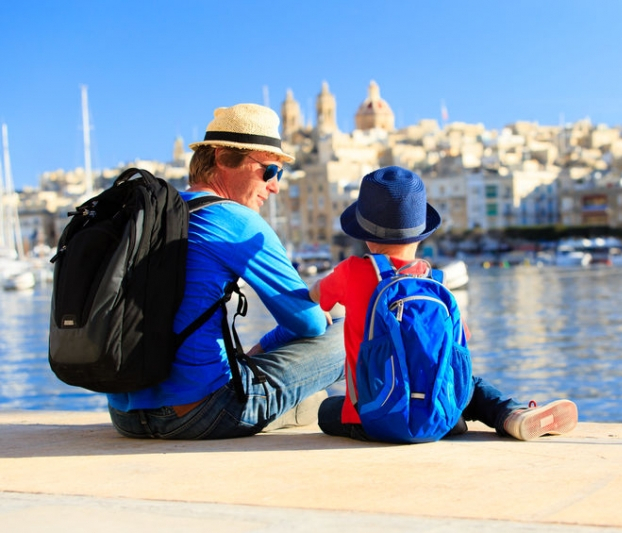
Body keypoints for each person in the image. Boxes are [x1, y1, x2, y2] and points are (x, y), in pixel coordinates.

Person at [107, 103, 344, 439]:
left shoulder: (155, 216)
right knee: (350, 325)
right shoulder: (235, 220)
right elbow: (307, 322)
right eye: (269, 171)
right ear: (222, 158)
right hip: (199, 414)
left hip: (125, 415)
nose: (274, 186)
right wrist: (267, 345)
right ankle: (294, 407)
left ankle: (292, 407)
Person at [309, 166, 578, 442]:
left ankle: (441, 420)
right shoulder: (436, 283)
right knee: (471, 384)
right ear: (421, 234)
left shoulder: (351, 271)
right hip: (436, 409)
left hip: (372, 418)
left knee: (327, 410)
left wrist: (316, 302)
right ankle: (509, 414)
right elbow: (457, 348)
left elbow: (317, 294)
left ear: (365, 233)